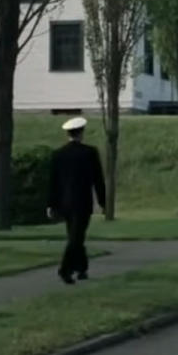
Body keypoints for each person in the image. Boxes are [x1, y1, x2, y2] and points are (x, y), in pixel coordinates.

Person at [47, 117, 106, 285]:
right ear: (81, 133)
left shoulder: (58, 154)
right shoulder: (90, 153)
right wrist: (103, 202)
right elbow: (98, 179)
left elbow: (53, 181)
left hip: (65, 202)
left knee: (75, 236)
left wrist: (51, 204)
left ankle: (82, 268)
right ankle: (65, 269)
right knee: (76, 237)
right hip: (83, 202)